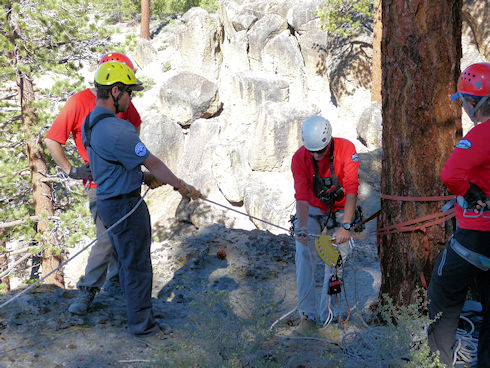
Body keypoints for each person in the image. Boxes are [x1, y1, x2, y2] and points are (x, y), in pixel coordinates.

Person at [81, 61, 203, 342]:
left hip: (108, 203)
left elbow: (112, 163)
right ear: (115, 91)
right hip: (126, 206)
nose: (130, 98)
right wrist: (181, 186)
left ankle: (134, 314)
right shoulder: (118, 129)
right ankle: (143, 326)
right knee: (136, 265)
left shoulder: (91, 122)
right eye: (129, 93)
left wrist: (143, 177)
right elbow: (154, 161)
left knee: (125, 262)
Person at [45, 52, 142, 315]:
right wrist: (73, 170)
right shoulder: (79, 102)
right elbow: (53, 139)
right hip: (100, 187)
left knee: (125, 242)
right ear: (114, 88)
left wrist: (135, 163)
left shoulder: (124, 103)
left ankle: (116, 290)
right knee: (108, 239)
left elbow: (135, 131)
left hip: (126, 185)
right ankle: (87, 292)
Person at [428, 62, 490, 368]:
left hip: (476, 236)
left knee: (442, 294)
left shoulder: (480, 135)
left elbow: (450, 174)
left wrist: (468, 192)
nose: (463, 107)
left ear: (475, 103)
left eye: (464, 101)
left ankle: (439, 361)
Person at [291, 115, 360, 334]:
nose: (317, 156)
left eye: (320, 151)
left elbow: (351, 188)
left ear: (329, 141)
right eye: (313, 151)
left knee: (337, 255)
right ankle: (307, 314)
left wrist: (346, 226)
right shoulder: (299, 158)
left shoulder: (347, 149)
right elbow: (301, 195)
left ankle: (328, 313)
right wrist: (302, 228)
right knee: (303, 250)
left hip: (340, 210)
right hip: (312, 207)